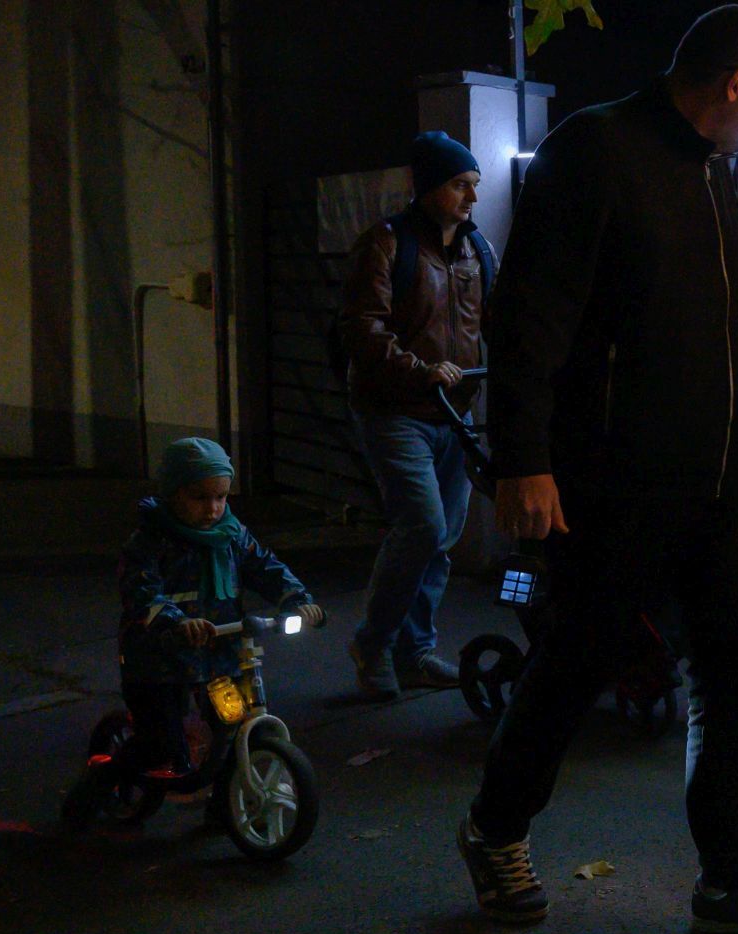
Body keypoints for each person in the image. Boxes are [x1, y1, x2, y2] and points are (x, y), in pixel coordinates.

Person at [456, 5, 738, 934]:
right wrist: (525, 459)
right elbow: (530, 314)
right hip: (616, 479)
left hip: (714, 484)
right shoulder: (596, 150)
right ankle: (496, 826)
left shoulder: (714, 171)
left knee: (737, 671)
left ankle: (732, 877)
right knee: (576, 661)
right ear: (735, 83)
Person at [337, 130, 489, 699]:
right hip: (395, 410)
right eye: (460, 185)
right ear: (428, 187)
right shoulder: (385, 243)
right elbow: (361, 328)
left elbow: (496, 320)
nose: (472, 197)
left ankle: (414, 650)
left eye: (474, 185)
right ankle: (373, 644)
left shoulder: (478, 250)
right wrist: (420, 369)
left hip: (455, 411)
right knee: (422, 525)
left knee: (442, 537)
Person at [113, 439, 325, 777]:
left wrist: (297, 600)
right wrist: (175, 621)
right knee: (159, 744)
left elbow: (265, 567)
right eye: (199, 498)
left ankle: (226, 796)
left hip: (219, 652)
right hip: (158, 659)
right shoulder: (150, 541)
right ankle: (98, 784)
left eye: (221, 497)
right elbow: (141, 592)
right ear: (172, 494)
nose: (213, 508)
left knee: (236, 725)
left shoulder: (232, 536)